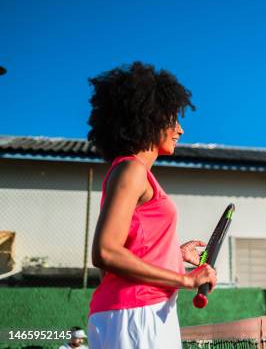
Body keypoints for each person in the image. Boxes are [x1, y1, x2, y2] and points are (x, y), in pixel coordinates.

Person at [86, 62, 217, 349]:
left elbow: (131, 246)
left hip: (145, 312)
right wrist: (186, 280)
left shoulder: (136, 173)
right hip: (134, 313)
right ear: (150, 118)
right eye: (172, 120)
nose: (180, 130)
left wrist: (173, 253)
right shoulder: (131, 170)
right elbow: (106, 252)